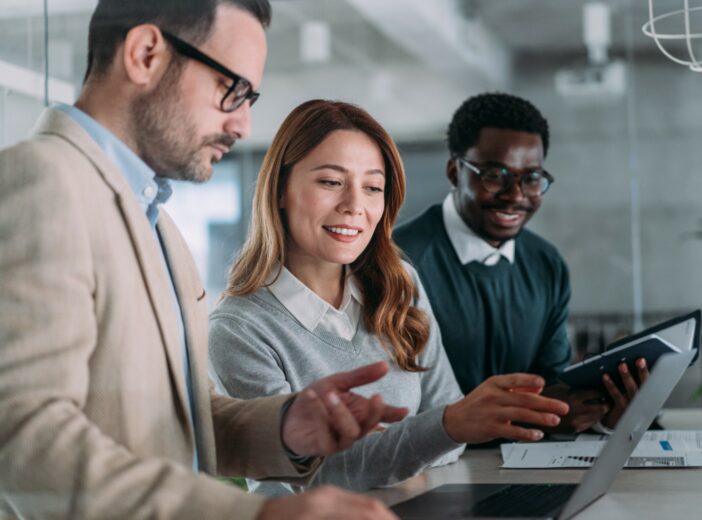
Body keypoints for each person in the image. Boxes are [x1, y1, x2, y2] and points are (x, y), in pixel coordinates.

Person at [0, 2, 406, 519]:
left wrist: (285, 425)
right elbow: (21, 437)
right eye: (231, 90)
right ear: (145, 54)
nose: (242, 123)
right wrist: (255, 515)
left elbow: (180, 415)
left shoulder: (157, 221)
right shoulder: (39, 181)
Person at [208, 99, 570, 495]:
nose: (354, 206)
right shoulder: (239, 329)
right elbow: (308, 475)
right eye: (331, 182)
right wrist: (442, 428)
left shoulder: (399, 285)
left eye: (373, 187)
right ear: (280, 189)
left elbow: (449, 439)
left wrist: (439, 432)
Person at [394, 93, 648, 432]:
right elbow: (397, 404)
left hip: (528, 467)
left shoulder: (546, 264)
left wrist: (599, 414)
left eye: (530, 178)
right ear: (455, 172)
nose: (515, 195)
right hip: (430, 468)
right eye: (495, 175)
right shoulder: (398, 261)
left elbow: (552, 382)